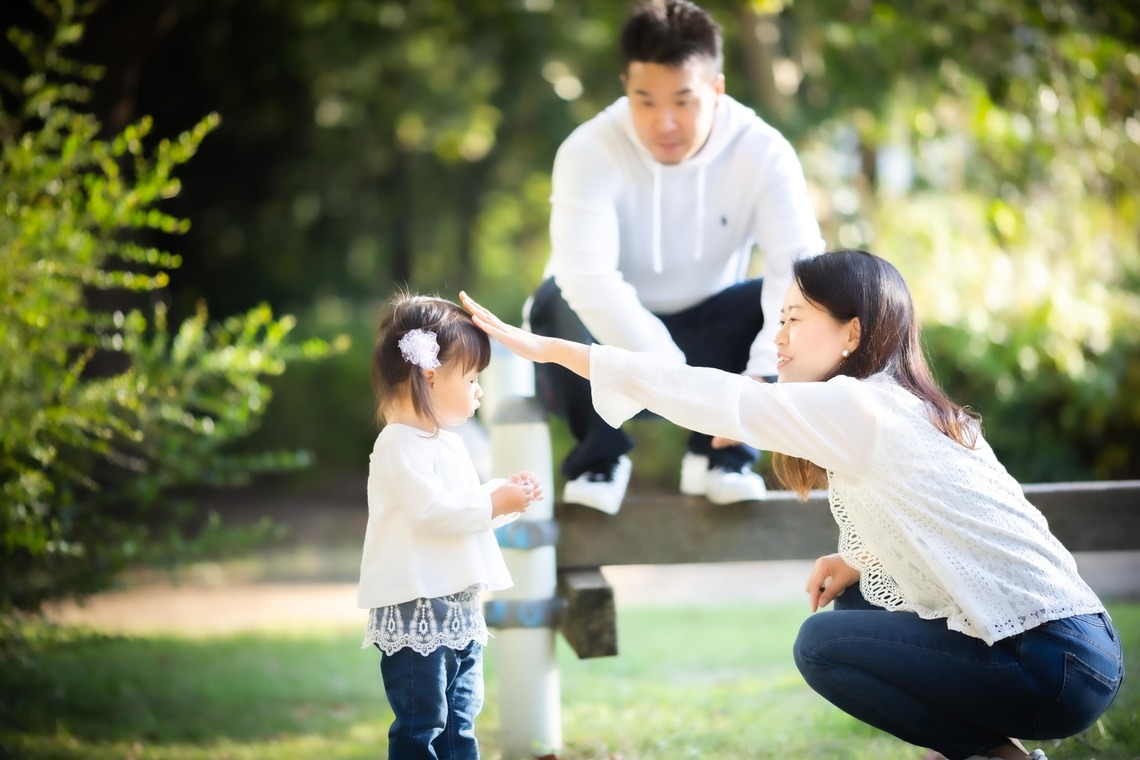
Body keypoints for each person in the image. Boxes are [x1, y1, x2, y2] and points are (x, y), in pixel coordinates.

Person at [459, 248, 1124, 760]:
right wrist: (858, 558)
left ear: (850, 333)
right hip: (1083, 652)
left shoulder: (858, 405)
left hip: (1046, 660)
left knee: (822, 645)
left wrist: (546, 348)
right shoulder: (908, 406)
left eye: (795, 320)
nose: (777, 338)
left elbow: (694, 388)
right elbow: (945, 518)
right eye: (776, 320)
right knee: (856, 600)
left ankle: (986, 754)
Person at [527, 0, 825, 513]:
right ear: (625, 86)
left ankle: (722, 455)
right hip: (605, 349)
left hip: (711, 341)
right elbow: (587, 275)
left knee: (788, 298)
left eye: (683, 101)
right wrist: (667, 371)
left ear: (716, 89)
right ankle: (600, 459)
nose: (664, 122)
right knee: (557, 296)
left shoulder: (764, 151)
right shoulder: (588, 150)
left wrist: (758, 388)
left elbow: (795, 270)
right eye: (645, 101)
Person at [357, 293, 542, 759]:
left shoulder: (447, 443)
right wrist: (493, 501)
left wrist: (504, 496)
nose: (479, 389)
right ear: (431, 375)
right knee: (422, 722)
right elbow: (433, 513)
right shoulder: (399, 444)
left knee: (460, 720)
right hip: (417, 604)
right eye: (473, 378)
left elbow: (462, 506)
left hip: (456, 603)